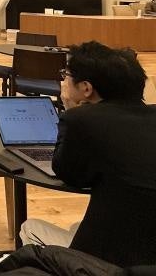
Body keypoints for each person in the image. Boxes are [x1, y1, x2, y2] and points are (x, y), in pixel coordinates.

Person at [19, 41, 156, 268]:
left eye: (66, 75)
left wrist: (72, 111)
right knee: (76, 226)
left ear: (86, 88)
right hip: (148, 257)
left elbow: (68, 174)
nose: (63, 81)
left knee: (30, 228)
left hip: (110, 263)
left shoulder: (82, 120)